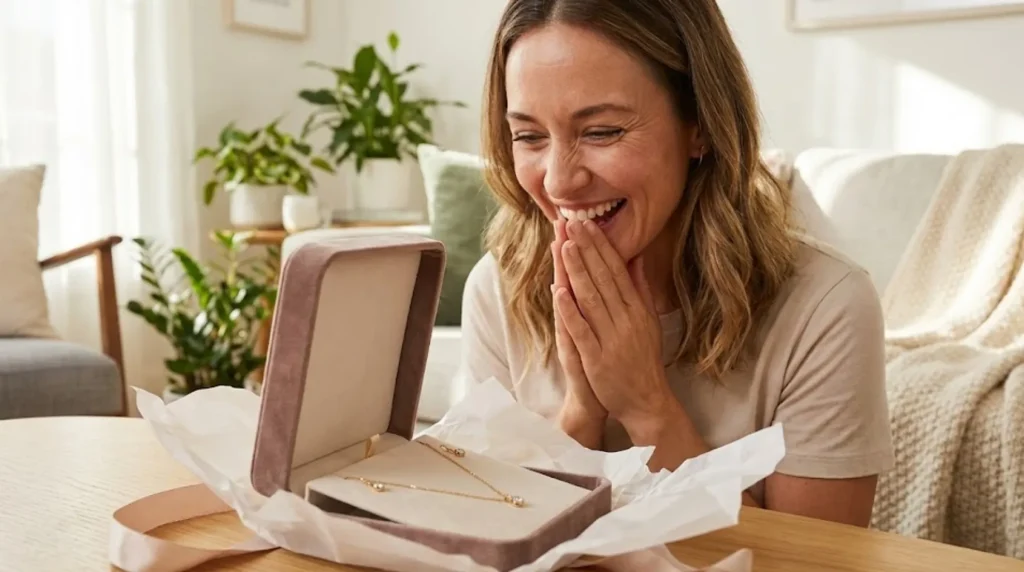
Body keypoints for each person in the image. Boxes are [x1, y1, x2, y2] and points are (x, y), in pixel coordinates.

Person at [459, 0, 894, 528]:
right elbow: (491, 535)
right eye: (529, 136)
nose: (557, 181)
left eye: (601, 132)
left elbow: (819, 561)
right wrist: (581, 412)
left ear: (701, 125)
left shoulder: (826, 306)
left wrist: (648, 408)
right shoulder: (498, 290)